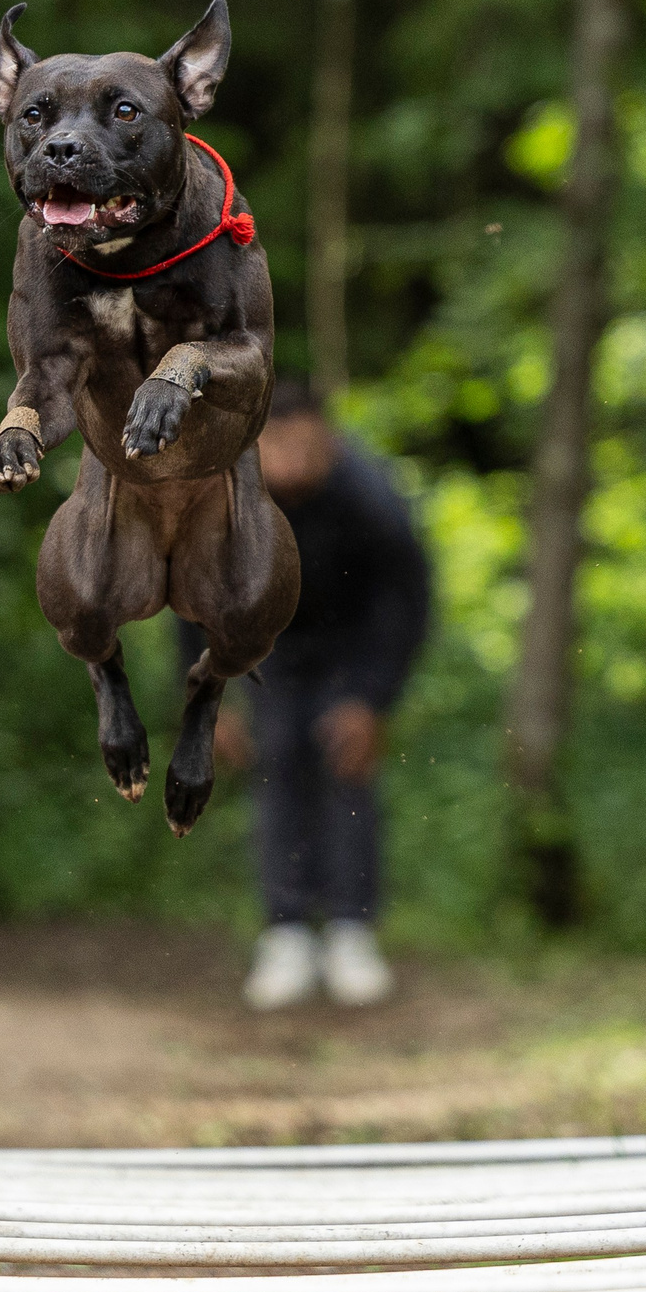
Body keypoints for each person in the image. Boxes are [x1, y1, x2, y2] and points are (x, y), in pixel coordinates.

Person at [214, 378, 431, 1010]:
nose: (290, 464)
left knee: (345, 768)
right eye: (275, 448)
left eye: (303, 447)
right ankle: (285, 932)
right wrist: (208, 697)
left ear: (328, 439)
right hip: (271, 650)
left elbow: (406, 603)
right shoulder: (227, 498)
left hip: (353, 651)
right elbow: (197, 596)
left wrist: (372, 698)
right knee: (277, 763)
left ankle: (350, 930)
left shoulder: (373, 498)